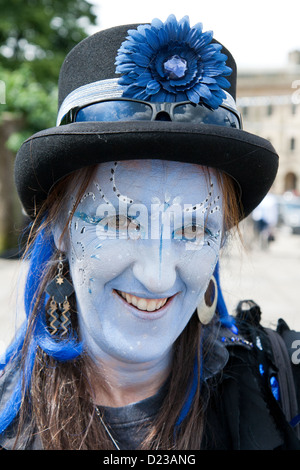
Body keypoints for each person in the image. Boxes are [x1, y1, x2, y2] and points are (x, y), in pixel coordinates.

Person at [0, 14, 299, 451]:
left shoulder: (280, 391)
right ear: (60, 225)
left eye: (195, 227)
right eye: (119, 221)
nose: (157, 277)